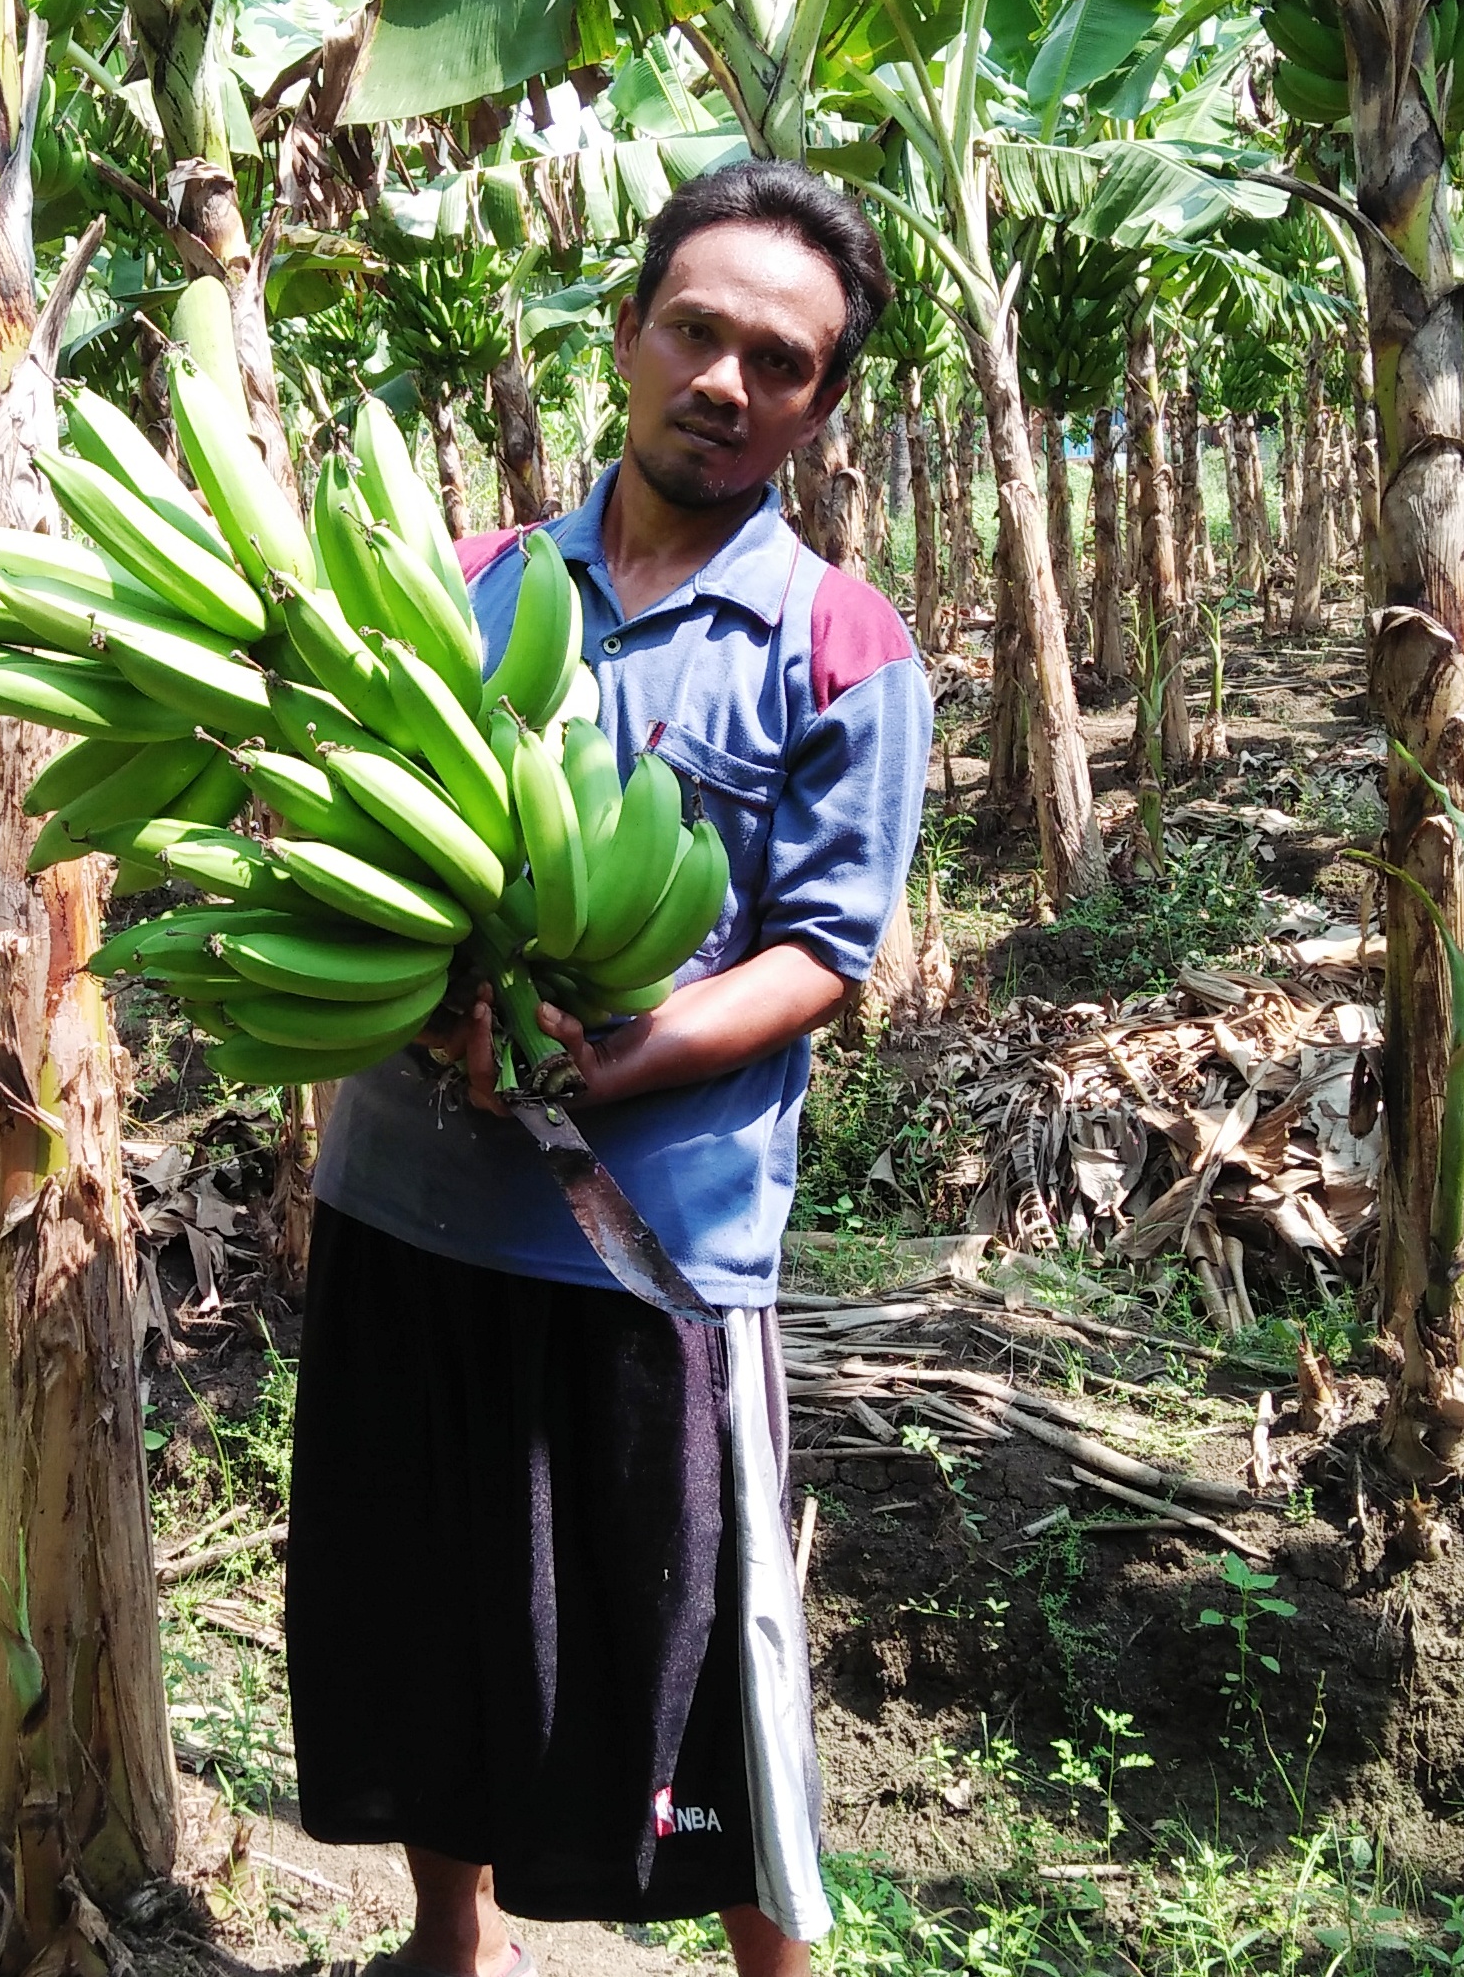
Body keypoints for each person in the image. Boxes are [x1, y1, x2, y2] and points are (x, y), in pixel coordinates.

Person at [284, 159, 935, 1977]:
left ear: (818, 401)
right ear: (630, 332)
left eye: (780, 361)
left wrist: (608, 1054)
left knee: (699, 1652)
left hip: (649, 1243)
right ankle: (446, 1938)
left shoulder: (839, 643)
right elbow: (344, 813)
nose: (726, 380)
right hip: (407, 1199)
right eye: (697, 330)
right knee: (423, 1602)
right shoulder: (473, 584)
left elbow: (821, 949)